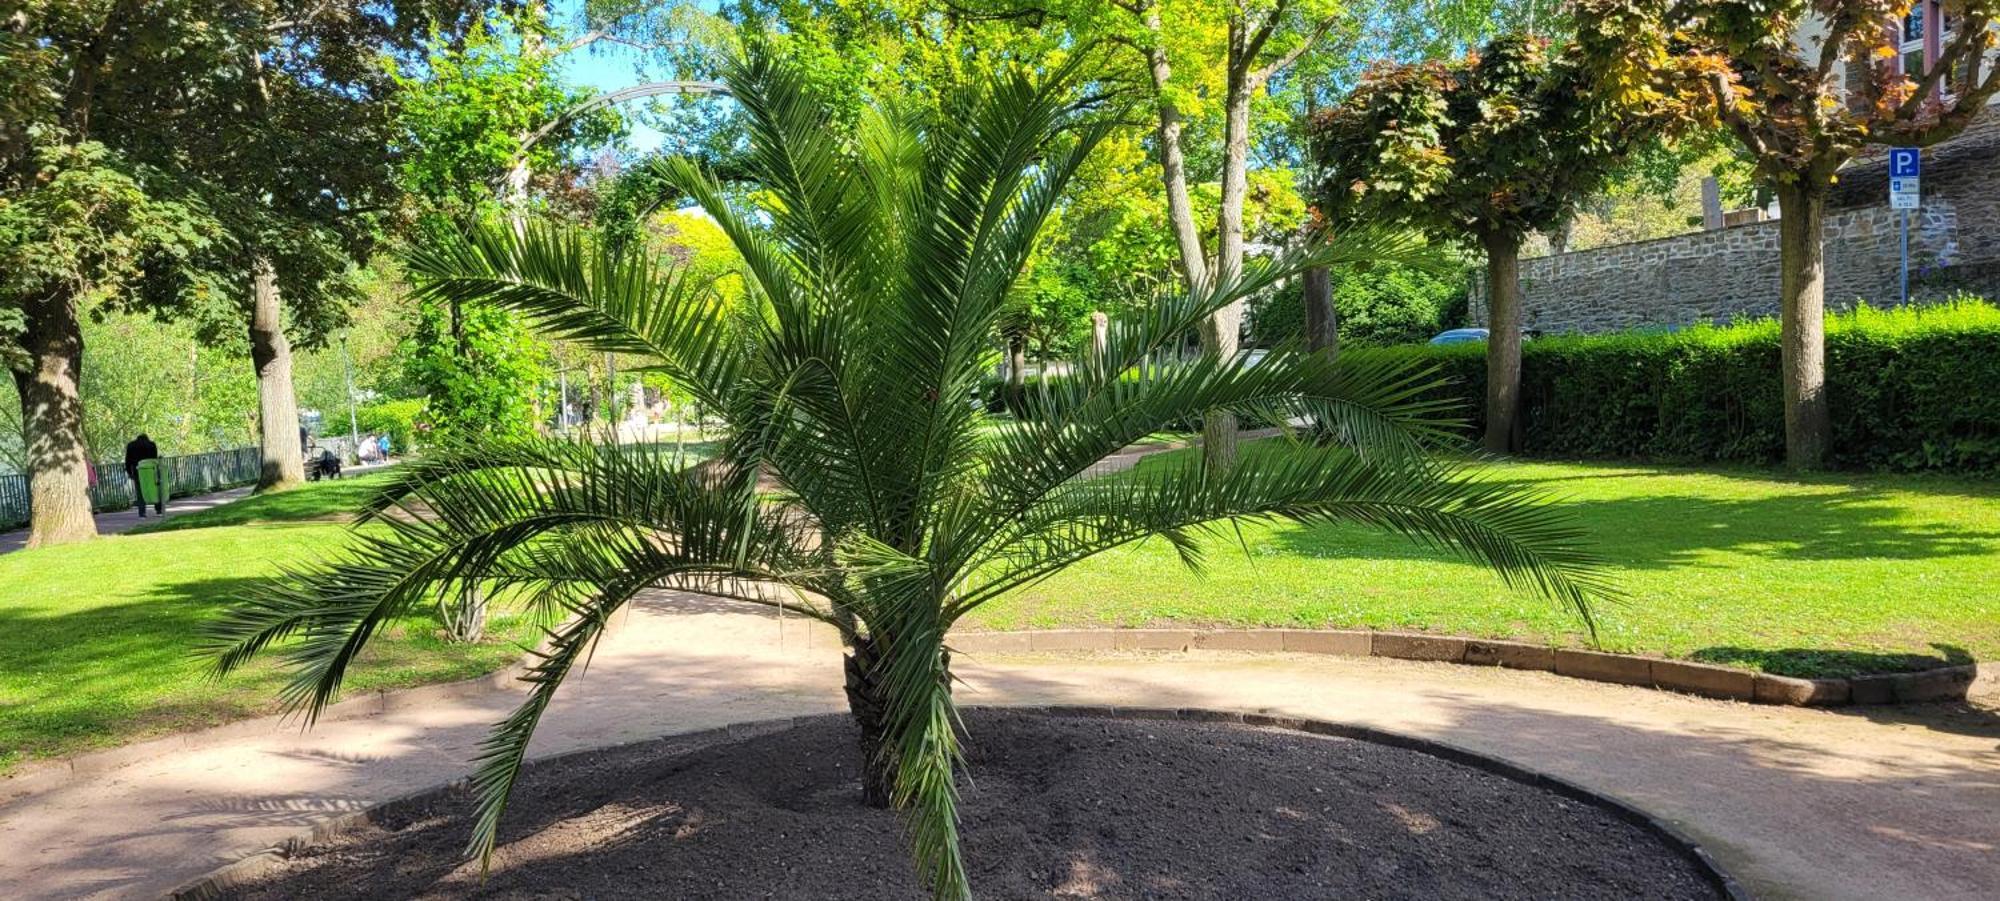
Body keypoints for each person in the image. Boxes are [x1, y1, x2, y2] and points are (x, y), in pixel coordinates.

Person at [123, 433, 161, 517]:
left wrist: (129, 472)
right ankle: (158, 510)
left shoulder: (131, 445)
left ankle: (142, 513)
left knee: (140, 491)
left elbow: (128, 460)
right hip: (150, 470)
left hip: (137, 471)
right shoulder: (151, 445)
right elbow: (154, 459)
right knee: (154, 489)